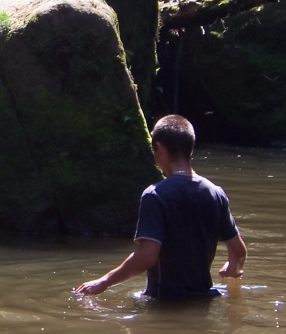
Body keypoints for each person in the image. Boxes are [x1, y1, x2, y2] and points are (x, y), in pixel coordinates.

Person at [77, 114, 247, 299]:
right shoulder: (216, 193)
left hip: (165, 301)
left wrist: (104, 282)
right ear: (190, 149)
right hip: (204, 299)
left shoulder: (156, 195)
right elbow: (239, 251)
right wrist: (232, 268)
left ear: (160, 148)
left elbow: (147, 256)